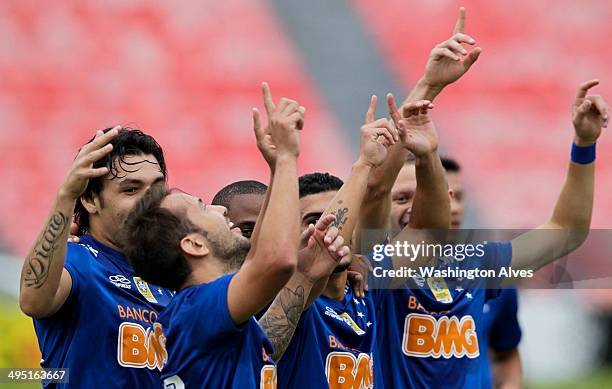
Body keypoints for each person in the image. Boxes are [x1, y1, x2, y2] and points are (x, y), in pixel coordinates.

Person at [361, 7, 608, 388]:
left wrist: (584, 145)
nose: (415, 206)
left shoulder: (476, 264)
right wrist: (428, 85)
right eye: (401, 198)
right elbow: (376, 184)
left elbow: (567, 230)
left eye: (431, 194)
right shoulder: (373, 270)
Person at [122, 83, 317, 388]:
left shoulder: (198, 309)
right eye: (202, 207)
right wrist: (290, 156)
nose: (218, 209)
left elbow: (257, 258)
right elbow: (275, 260)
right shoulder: (200, 307)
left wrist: (278, 165)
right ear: (194, 244)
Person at [19, 127, 173, 388]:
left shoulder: (172, 277)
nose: (151, 200)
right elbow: (33, 301)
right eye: (131, 190)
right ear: (91, 200)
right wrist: (66, 196)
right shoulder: (78, 260)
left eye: (157, 188)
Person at [390, 155, 523, 388]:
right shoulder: (383, 271)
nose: (454, 208)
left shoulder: (489, 272)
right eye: (435, 198)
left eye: (459, 197)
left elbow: (506, 353)